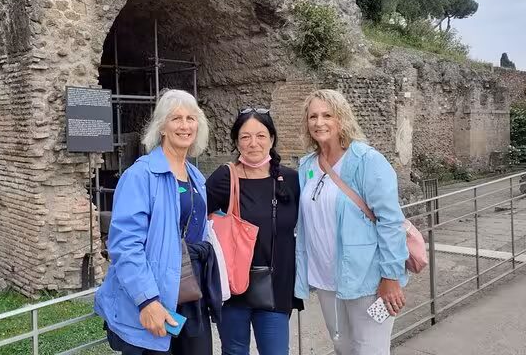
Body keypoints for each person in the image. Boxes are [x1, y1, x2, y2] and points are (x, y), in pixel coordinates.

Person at [95, 89, 219, 355]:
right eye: (176, 119)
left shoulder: (196, 177)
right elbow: (125, 245)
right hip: (154, 296)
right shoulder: (140, 176)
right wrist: (147, 301)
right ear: (162, 127)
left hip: (190, 295)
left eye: (191, 118)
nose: (184, 125)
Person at [294, 89, 408, 355]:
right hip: (326, 279)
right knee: (342, 347)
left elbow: (390, 221)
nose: (319, 122)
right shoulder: (307, 165)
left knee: (371, 350)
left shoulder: (367, 160)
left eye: (327, 115)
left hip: (369, 278)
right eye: (313, 116)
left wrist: (390, 277)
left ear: (341, 118)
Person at [206, 108, 303, 355]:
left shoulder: (291, 180)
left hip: (276, 287)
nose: (253, 143)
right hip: (232, 288)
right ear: (236, 142)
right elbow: (194, 220)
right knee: (235, 351)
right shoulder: (224, 178)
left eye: (260, 136)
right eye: (245, 137)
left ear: (271, 139)